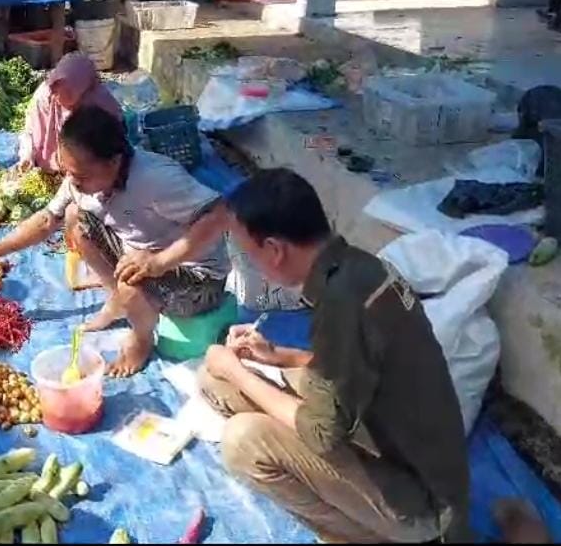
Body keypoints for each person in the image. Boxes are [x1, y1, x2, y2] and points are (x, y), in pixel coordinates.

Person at [198, 168, 470, 543]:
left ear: (275, 250)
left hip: (424, 502)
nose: (249, 263)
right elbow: (357, 362)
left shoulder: (342, 302)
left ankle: (361, 535)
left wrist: (238, 371)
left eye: (248, 253)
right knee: (216, 380)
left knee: (244, 438)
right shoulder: (356, 266)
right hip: (392, 436)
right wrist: (279, 356)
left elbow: (322, 433)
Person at [0, 105, 230, 377]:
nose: (72, 182)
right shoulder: (79, 179)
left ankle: (142, 339)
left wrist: (160, 261)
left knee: (131, 280)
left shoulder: (155, 178)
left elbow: (221, 214)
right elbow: (47, 221)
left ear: (114, 162)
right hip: (142, 253)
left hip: (199, 279)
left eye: (80, 175)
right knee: (74, 217)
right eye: (68, 171)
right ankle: (118, 298)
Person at [18, 52, 124, 172]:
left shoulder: (101, 103)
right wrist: (27, 155)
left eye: (70, 93)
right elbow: (30, 131)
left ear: (84, 88)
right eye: (57, 91)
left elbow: (112, 146)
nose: (59, 98)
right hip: (47, 165)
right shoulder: (45, 96)